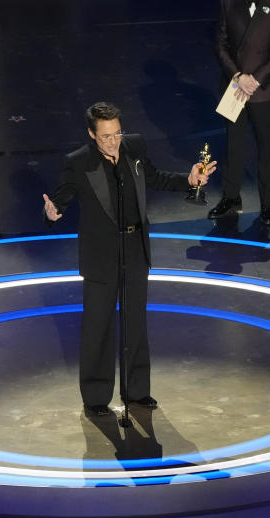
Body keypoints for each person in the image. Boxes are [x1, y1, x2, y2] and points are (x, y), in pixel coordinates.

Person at [43, 102, 215, 416]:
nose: (113, 141)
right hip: (101, 255)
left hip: (135, 248)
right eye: (105, 136)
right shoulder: (79, 162)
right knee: (98, 326)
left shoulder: (133, 146)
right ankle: (96, 397)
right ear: (91, 134)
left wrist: (188, 181)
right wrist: (53, 211)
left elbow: (155, 177)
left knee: (135, 322)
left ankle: (136, 392)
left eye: (117, 133)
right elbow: (63, 195)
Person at [208, 0, 270, 226]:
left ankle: (267, 205)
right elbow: (220, 45)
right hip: (235, 87)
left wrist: (254, 79)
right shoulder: (227, 3)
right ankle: (231, 198)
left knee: (267, 149)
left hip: (263, 90)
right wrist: (238, 75)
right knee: (233, 146)